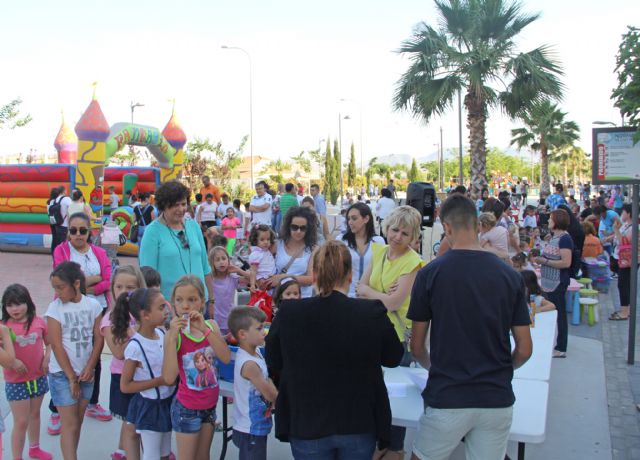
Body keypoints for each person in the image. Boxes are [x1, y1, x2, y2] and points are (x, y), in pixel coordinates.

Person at [407, 193, 532, 460]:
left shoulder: (430, 274)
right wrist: (501, 370)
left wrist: (434, 368)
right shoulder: (510, 276)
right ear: (478, 225)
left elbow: (416, 347)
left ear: (447, 228)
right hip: (496, 397)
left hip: (448, 396)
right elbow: (524, 348)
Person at [265, 241, 404, 459]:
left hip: (307, 422)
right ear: (350, 275)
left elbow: (274, 360)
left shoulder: (289, 312)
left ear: (314, 275)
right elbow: (394, 356)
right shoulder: (370, 311)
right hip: (359, 421)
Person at [356, 206, 424, 459]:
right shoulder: (379, 252)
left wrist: (372, 294)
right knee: (376, 389)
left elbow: (394, 303)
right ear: (387, 228)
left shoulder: (414, 262)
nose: (397, 236)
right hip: (374, 331)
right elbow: (359, 286)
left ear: (413, 237)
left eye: (405, 233)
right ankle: (381, 441)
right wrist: (381, 296)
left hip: (397, 337)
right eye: (395, 230)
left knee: (397, 394)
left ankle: (395, 447)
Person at [162, 276, 231, 460]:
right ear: (173, 303)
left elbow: (225, 357)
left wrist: (205, 330)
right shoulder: (175, 335)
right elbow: (169, 378)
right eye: (179, 300)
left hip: (209, 406)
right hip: (187, 409)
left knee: (203, 456)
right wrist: (171, 337)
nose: (185, 305)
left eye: (192, 300)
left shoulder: (211, 326)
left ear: (202, 301)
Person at [46, 261, 103, 460]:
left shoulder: (93, 305)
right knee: (69, 424)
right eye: (55, 288)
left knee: (77, 423)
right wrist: (71, 377)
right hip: (62, 374)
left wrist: (90, 367)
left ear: (76, 284)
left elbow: (98, 338)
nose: (58, 292)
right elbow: (56, 345)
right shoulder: (55, 308)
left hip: (86, 373)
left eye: (61, 287)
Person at [114, 287, 175, 460]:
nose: (166, 311)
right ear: (145, 315)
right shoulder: (135, 346)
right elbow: (125, 386)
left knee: (165, 453)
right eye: (161, 307)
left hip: (166, 402)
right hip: (150, 406)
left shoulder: (163, 334)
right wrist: (160, 381)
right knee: (151, 453)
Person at [139, 180, 214, 303]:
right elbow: (147, 278)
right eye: (175, 205)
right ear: (163, 206)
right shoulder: (152, 232)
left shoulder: (193, 226)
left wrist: (211, 299)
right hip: (171, 307)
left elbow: (205, 267)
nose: (181, 209)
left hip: (200, 303)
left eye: (183, 204)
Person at [1, 284, 53, 460]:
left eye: (19, 303)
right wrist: (13, 362)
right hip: (16, 381)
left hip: (37, 377)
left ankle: (34, 448)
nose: (14, 309)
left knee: (35, 414)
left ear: (28, 303)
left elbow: (51, 342)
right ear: (4, 307)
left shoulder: (39, 322)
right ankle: (17, 457)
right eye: (10, 305)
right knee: (21, 421)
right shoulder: (3, 327)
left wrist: (47, 357)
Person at [101, 265, 147, 460]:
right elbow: (119, 352)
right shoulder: (109, 320)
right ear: (112, 289)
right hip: (124, 378)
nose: (124, 292)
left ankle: (121, 451)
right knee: (132, 423)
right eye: (119, 287)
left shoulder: (145, 314)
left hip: (145, 376)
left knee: (135, 420)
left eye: (130, 287)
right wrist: (132, 331)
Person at [228, 307, 278, 460]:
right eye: (259, 328)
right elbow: (269, 394)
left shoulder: (256, 354)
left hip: (254, 426)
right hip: (250, 429)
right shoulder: (250, 364)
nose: (264, 331)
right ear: (243, 334)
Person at [533, 209, 573, 358]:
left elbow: (566, 262)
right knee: (552, 312)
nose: (548, 221)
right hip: (549, 281)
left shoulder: (564, 239)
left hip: (557, 282)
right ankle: (554, 342)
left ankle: (561, 347)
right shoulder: (554, 237)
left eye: (550, 219)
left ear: (556, 221)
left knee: (559, 314)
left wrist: (545, 261)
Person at [269, 207, 317, 298]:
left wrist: (284, 277)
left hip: (302, 299)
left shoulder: (313, 249)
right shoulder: (277, 244)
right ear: (288, 226)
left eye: (303, 228)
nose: (298, 231)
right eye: (294, 227)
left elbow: (311, 279)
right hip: (279, 299)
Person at [340, 202, 385, 297]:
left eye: (354, 218)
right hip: (347, 296)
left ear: (366, 219)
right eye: (348, 219)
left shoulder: (378, 241)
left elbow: (382, 269)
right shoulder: (341, 240)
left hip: (370, 297)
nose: (350, 222)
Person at [209, 246, 250, 335]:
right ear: (212, 263)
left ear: (228, 260)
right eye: (217, 260)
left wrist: (239, 270)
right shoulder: (210, 279)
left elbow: (252, 279)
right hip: (214, 321)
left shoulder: (232, 277)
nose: (221, 262)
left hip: (230, 320)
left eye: (224, 258)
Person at [611, 203, 638, 321]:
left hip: (628, 261)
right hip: (623, 259)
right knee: (626, 284)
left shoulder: (634, 227)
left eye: (623, 212)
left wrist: (616, 229)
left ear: (629, 214)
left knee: (623, 284)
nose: (621, 214)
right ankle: (626, 309)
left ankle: (624, 312)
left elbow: (624, 242)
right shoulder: (627, 225)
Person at [248, 225, 277, 293]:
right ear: (255, 240)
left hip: (271, 280)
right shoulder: (256, 254)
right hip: (264, 281)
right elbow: (253, 271)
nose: (266, 242)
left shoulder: (266, 250)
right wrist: (252, 284)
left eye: (268, 239)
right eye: (262, 239)